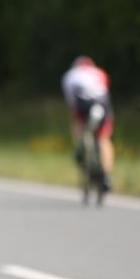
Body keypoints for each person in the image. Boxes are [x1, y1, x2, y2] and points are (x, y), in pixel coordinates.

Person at [61, 56, 114, 190]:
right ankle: (106, 175)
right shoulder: (99, 72)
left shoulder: (69, 75)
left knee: (77, 121)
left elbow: (71, 102)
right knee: (103, 139)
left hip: (82, 104)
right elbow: (105, 90)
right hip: (101, 103)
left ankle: (80, 145)